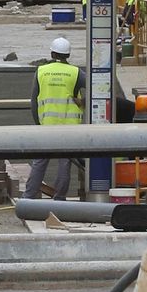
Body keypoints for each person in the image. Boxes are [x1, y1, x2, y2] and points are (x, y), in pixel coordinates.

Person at [25, 36, 85, 201]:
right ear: (68, 55)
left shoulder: (41, 72)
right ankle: (59, 199)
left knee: (40, 162)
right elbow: (97, 89)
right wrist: (83, 102)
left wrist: (39, 123)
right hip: (69, 127)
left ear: (52, 53)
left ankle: (28, 197)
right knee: (64, 163)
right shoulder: (76, 73)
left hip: (47, 125)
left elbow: (33, 101)